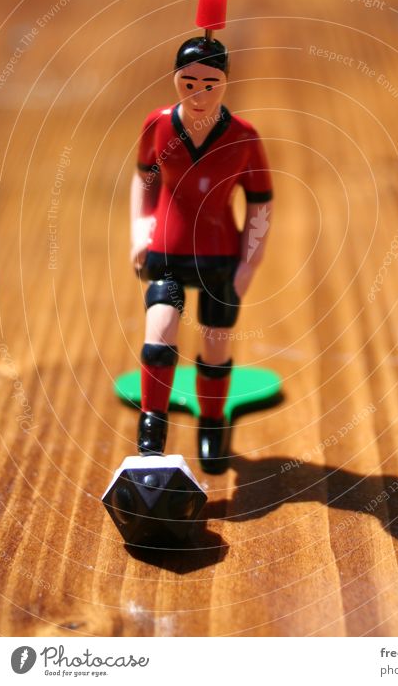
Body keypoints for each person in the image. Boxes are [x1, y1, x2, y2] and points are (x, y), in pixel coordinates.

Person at [130, 34, 273, 473]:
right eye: (188, 82)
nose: (197, 93)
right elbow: (144, 175)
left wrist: (251, 261)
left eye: (209, 83)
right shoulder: (158, 124)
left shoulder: (244, 136)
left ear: (225, 82)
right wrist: (140, 226)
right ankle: (152, 431)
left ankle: (212, 427)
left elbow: (260, 202)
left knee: (214, 345)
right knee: (160, 334)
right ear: (176, 79)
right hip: (168, 251)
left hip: (218, 254)